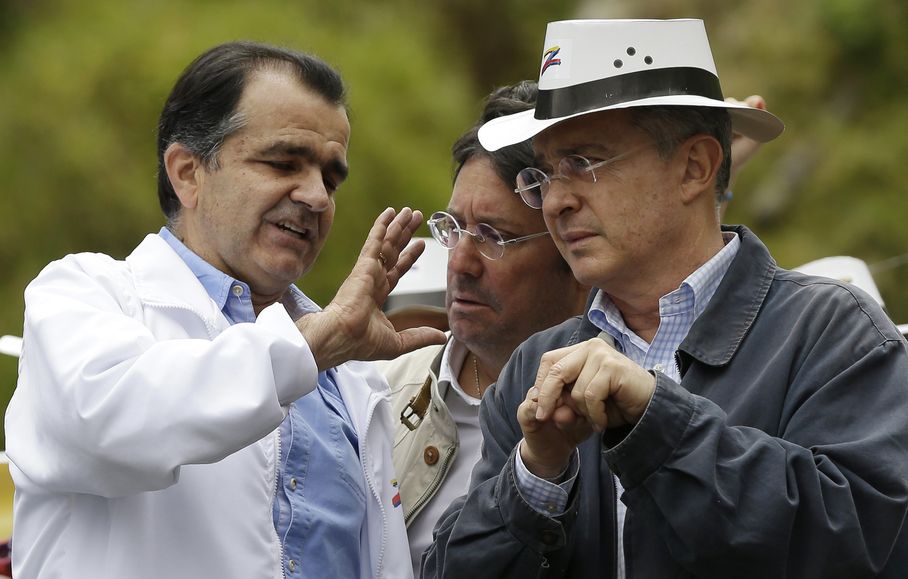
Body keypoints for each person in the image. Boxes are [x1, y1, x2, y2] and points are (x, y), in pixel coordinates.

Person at [424, 19, 908, 578]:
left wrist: (657, 421)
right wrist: (535, 471)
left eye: (583, 163)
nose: (555, 201)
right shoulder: (532, 366)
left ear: (694, 167)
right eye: (545, 174)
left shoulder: (833, 334)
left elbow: (866, 547)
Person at [4, 41, 445, 579]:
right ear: (187, 173)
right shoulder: (81, 294)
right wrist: (310, 347)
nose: (316, 197)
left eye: (330, 179)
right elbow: (104, 421)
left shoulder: (348, 375)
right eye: (283, 162)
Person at [379, 81, 590, 576]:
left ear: (575, 249)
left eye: (496, 236)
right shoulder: (383, 392)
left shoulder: (613, 404)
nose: (460, 262)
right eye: (453, 229)